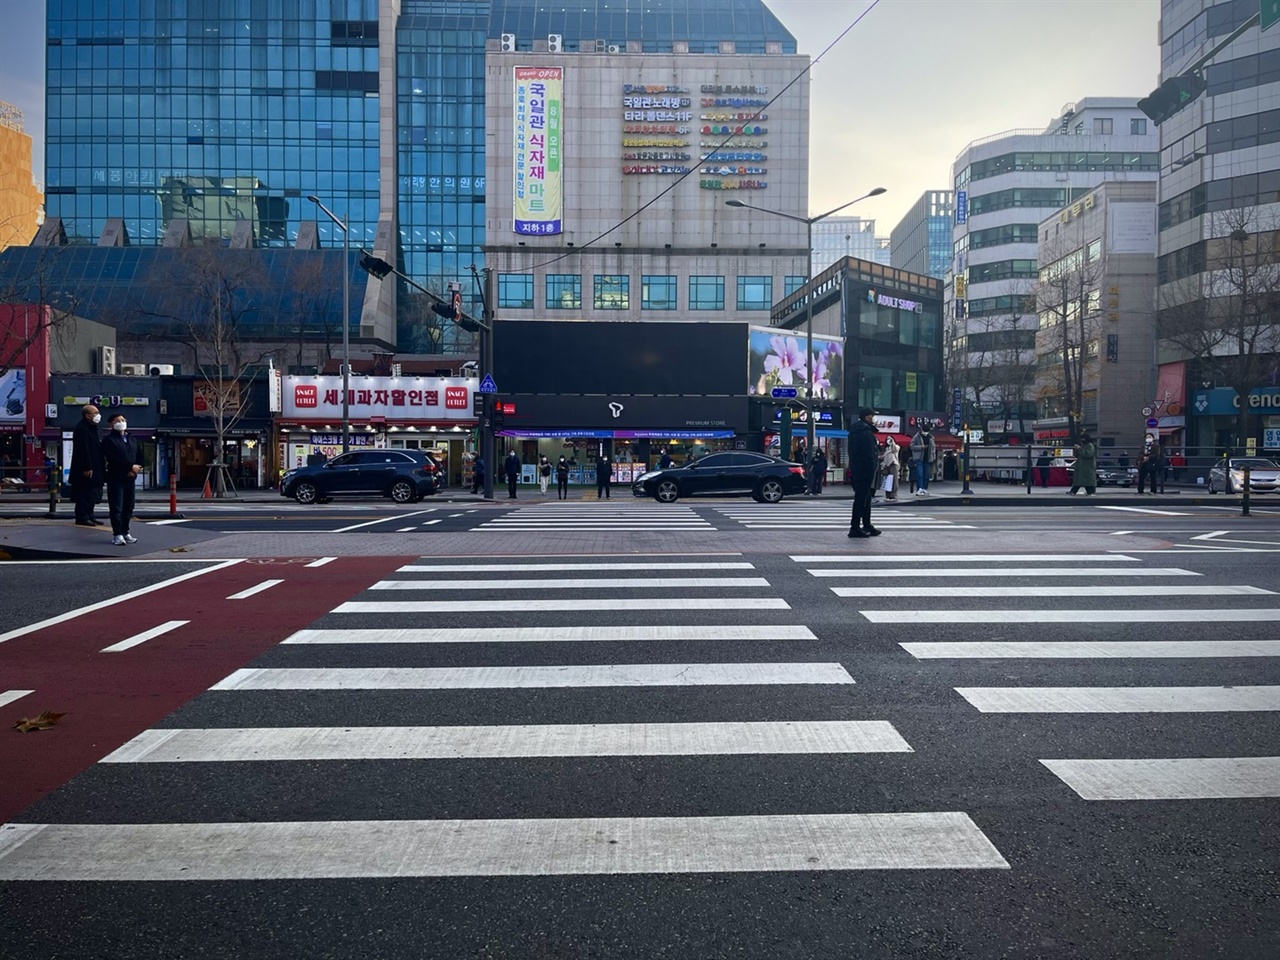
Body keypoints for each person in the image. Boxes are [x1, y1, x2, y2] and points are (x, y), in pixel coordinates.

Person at [102, 413, 142, 545]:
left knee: (129, 507)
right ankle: (117, 534)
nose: (121, 422)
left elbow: (139, 456)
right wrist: (130, 467)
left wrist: (136, 468)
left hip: (131, 477)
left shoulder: (132, 439)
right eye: (118, 420)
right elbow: (113, 458)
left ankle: (126, 531)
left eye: (123, 419)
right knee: (116, 507)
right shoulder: (108, 440)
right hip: (116, 477)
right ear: (111, 424)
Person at [847, 407, 881, 538]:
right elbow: (868, 453)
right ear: (867, 417)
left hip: (856, 467)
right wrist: (872, 467)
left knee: (865, 497)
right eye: (872, 416)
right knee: (861, 498)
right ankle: (855, 527)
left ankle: (867, 524)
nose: (874, 419)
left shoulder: (854, 431)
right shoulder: (865, 432)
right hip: (864, 469)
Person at [69, 403, 104, 526]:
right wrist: (87, 466)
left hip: (95, 465)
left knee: (92, 493)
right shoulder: (82, 429)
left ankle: (90, 515)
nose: (98, 415)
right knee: (84, 493)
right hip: (86, 467)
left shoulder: (93, 428)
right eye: (95, 413)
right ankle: (82, 516)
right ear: (88, 416)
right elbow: (83, 449)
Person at [910, 423, 937, 496]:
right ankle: (920, 488)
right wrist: (921, 447)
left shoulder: (931, 437)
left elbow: (933, 448)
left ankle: (924, 488)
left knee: (926, 475)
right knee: (920, 474)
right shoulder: (917, 437)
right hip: (919, 458)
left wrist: (933, 456)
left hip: (927, 458)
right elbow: (912, 446)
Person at [1069, 429, 1098, 496]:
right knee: (1084, 480)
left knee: (1084, 480)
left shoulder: (1090, 446)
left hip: (1087, 466)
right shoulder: (1086, 446)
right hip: (1083, 466)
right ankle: (1089, 492)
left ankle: (1075, 491)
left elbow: (1087, 454)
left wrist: (1079, 449)